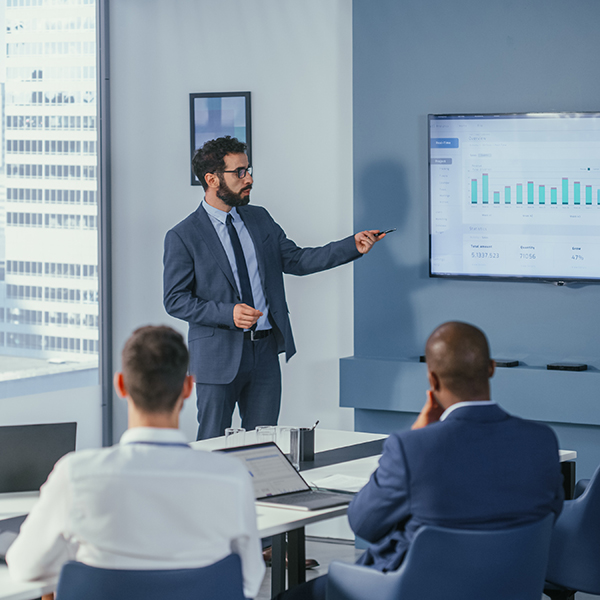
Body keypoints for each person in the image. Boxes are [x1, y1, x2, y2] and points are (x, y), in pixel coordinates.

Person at [277, 321, 564, 600]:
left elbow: (364, 523)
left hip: (413, 589)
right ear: (491, 368)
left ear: (432, 379)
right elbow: (552, 513)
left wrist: (415, 434)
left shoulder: (413, 448)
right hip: (509, 586)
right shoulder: (541, 440)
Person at [6, 326, 265, 600]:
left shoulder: (76, 475)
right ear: (188, 387)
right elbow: (249, 581)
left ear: (120, 385)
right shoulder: (231, 477)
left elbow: (25, 567)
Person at [163, 136, 385, 440]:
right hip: (217, 358)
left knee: (263, 446)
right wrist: (228, 314)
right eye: (239, 172)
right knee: (212, 444)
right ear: (212, 179)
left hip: (264, 352)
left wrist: (351, 247)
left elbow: (297, 260)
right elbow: (175, 300)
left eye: (248, 169)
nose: (249, 178)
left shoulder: (259, 218)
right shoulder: (183, 235)